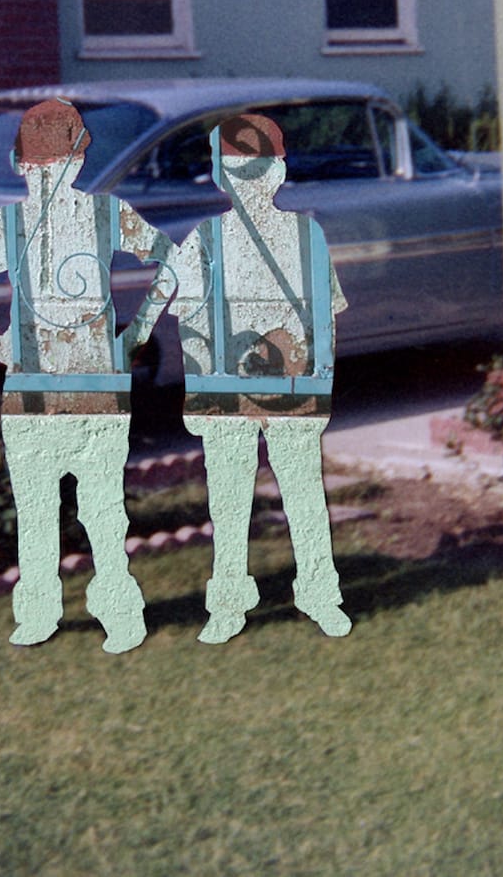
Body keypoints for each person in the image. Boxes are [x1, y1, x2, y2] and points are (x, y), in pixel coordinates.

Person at [0, 98, 174, 653]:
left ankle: (113, 608)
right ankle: (44, 610)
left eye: (57, 163)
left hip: (93, 389)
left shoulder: (103, 215)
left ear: (75, 164)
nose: (48, 175)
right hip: (37, 392)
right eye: (41, 165)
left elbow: (171, 261)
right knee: (46, 509)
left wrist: (137, 332)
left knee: (99, 509)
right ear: (23, 166)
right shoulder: (10, 224)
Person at [170, 113, 351, 644]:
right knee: (228, 500)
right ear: (221, 177)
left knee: (304, 492)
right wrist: (198, 393)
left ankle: (319, 592)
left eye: (258, 169)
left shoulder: (307, 235)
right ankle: (228, 600)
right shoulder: (204, 240)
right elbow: (189, 322)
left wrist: (320, 385)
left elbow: (325, 317)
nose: (249, 182)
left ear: (278, 173)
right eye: (237, 171)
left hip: (294, 387)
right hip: (226, 389)